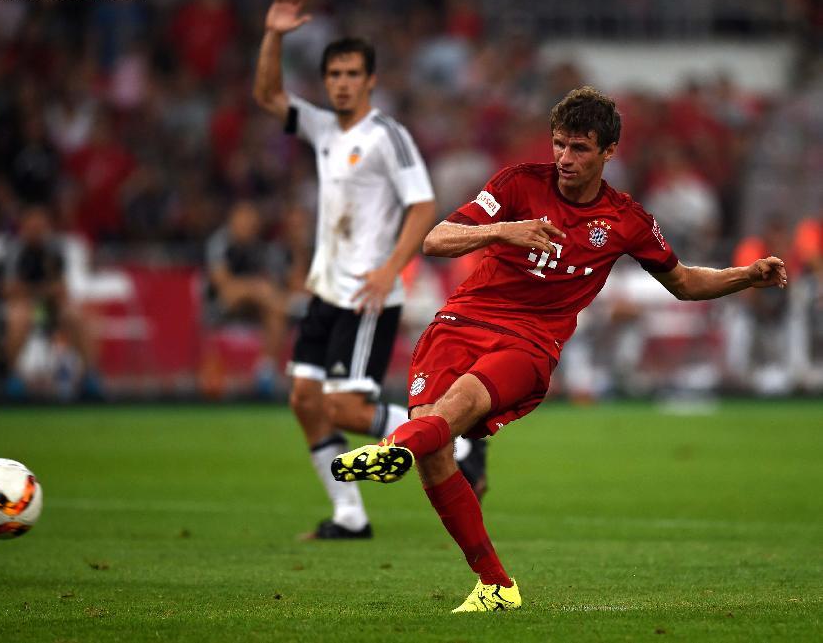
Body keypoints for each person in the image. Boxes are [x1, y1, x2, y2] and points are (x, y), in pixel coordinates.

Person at [332, 86, 788, 610]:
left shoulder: (626, 220)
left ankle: (394, 448)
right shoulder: (518, 184)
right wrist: (504, 231)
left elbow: (683, 282)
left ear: (608, 151)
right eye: (559, 145)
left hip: (529, 343)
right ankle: (496, 587)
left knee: (456, 408)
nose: (565, 159)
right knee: (436, 452)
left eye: (579, 149)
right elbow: (434, 240)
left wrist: (747, 275)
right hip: (460, 322)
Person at [253, 0, 486, 540]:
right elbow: (267, 96)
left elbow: (424, 204)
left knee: (345, 409)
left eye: (352, 74)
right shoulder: (321, 128)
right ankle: (350, 516)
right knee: (305, 402)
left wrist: (389, 269)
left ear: (370, 79)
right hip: (326, 290)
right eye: (333, 74)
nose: (341, 82)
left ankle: (459, 439)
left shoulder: (388, 136)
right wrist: (274, 34)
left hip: (368, 293)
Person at [3, 204, 101, 399]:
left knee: (76, 316)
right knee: (18, 317)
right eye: (32, 226)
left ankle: (89, 375)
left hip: (50, 308)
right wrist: (40, 291)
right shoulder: (15, 252)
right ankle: (13, 377)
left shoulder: (55, 251)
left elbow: (62, 290)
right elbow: (9, 290)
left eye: (40, 226)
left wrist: (35, 291)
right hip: (26, 307)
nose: (37, 231)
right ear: (24, 227)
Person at [206, 201, 290, 396]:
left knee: (276, 314)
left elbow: (274, 282)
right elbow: (224, 286)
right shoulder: (220, 243)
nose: (247, 225)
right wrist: (256, 288)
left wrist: (261, 291)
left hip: (256, 306)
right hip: (221, 305)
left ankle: (265, 372)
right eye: (243, 220)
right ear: (233, 220)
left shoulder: (262, 247)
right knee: (267, 296)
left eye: (251, 221)